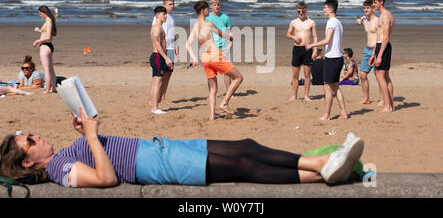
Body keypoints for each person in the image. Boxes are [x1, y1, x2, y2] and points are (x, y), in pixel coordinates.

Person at [0, 106, 365, 187]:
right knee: (243, 166)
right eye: (28, 141)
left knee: (246, 146)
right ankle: (324, 167)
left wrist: (84, 133)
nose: (35, 136)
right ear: (29, 164)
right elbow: (106, 178)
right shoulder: (60, 171)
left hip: (161, 149)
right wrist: (92, 136)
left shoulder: (62, 156)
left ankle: (326, 167)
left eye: (29, 133)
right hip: (158, 165)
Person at [186, 1, 243, 120]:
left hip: (205, 58)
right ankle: (224, 103)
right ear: (202, 11)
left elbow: (187, 45)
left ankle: (212, 116)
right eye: (207, 9)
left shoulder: (195, 26)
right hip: (215, 55)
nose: (208, 11)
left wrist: (194, 58)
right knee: (238, 78)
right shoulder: (209, 24)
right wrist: (232, 36)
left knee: (213, 89)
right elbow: (223, 35)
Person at [306, 0, 348, 121]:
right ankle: (343, 113)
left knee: (328, 88)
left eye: (324, 7)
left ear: (330, 9)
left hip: (333, 59)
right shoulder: (338, 22)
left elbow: (327, 40)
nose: (323, 9)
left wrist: (312, 45)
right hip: (338, 58)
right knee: (335, 87)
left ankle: (327, 115)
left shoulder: (331, 22)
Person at [286, 2, 318, 102]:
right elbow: (288, 34)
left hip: (308, 48)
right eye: (299, 11)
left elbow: (315, 37)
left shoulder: (311, 22)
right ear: (297, 11)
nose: (301, 13)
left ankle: (306, 96)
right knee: (295, 75)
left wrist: (315, 50)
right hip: (297, 49)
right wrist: (294, 37)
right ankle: (294, 95)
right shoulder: (293, 22)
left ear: (306, 11)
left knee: (307, 74)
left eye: (303, 11)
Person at [369, 0, 395, 113]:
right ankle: (391, 105)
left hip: (383, 47)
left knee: (380, 76)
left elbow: (385, 37)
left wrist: (379, 55)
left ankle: (388, 106)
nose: (373, 5)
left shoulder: (386, 15)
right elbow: (378, 37)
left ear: (381, 2)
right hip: (379, 47)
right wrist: (374, 54)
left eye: (375, 2)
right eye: (372, 2)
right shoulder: (381, 15)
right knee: (385, 76)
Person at [151, 0, 178, 104]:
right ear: (164, 5)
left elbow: (173, 33)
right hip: (163, 49)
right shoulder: (159, 17)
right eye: (170, 4)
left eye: (173, 4)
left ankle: (162, 97)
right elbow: (155, 36)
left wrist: (176, 47)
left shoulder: (171, 17)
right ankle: (152, 99)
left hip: (171, 47)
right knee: (158, 76)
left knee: (168, 73)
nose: (172, 6)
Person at [205, 0, 234, 96]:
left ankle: (229, 92)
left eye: (218, 5)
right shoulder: (207, 17)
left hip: (224, 46)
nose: (217, 7)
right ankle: (211, 93)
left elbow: (229, 32)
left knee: (228, 71)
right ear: (210, 6)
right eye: (214, 5)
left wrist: (230, 44)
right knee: (211, 73)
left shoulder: (225, 17)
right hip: (212, 48)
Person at [149, 6, 174, 115]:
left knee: (156, 81)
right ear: (157, 15)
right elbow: (157, 44)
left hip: (159, 56)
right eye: (163, 14)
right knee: (157, 82)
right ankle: (155, 108)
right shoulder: (156, 28)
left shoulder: (160, 27)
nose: (166, 16)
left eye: (166, 14)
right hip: (158, 56)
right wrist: (166, 58)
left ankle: (154, 106)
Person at [357, 0, 381, 104]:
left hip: (376, 50)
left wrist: (376, 53)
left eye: (368, 7)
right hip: (367, 50)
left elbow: (380, 37)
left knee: (379, 76)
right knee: (362, 74)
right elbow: (359, 22)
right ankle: (366, 98)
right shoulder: (365, 21)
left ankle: (383, 99)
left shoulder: (377, 20)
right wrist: (360, 20)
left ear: (373, 8)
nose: (366, 10)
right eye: (364, 8)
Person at [33, 5, 57, 94]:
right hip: (48, 46)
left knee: (46, 69)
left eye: (40, 14)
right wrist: (39, 30)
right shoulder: (49, 20)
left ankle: (47, 89)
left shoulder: (48, 21)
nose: (40, 16)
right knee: (51, 69)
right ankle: (53, 88)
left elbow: (48, 37)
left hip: (45, 46)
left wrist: (37, 41)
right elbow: (46, 32)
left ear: (43, 12)